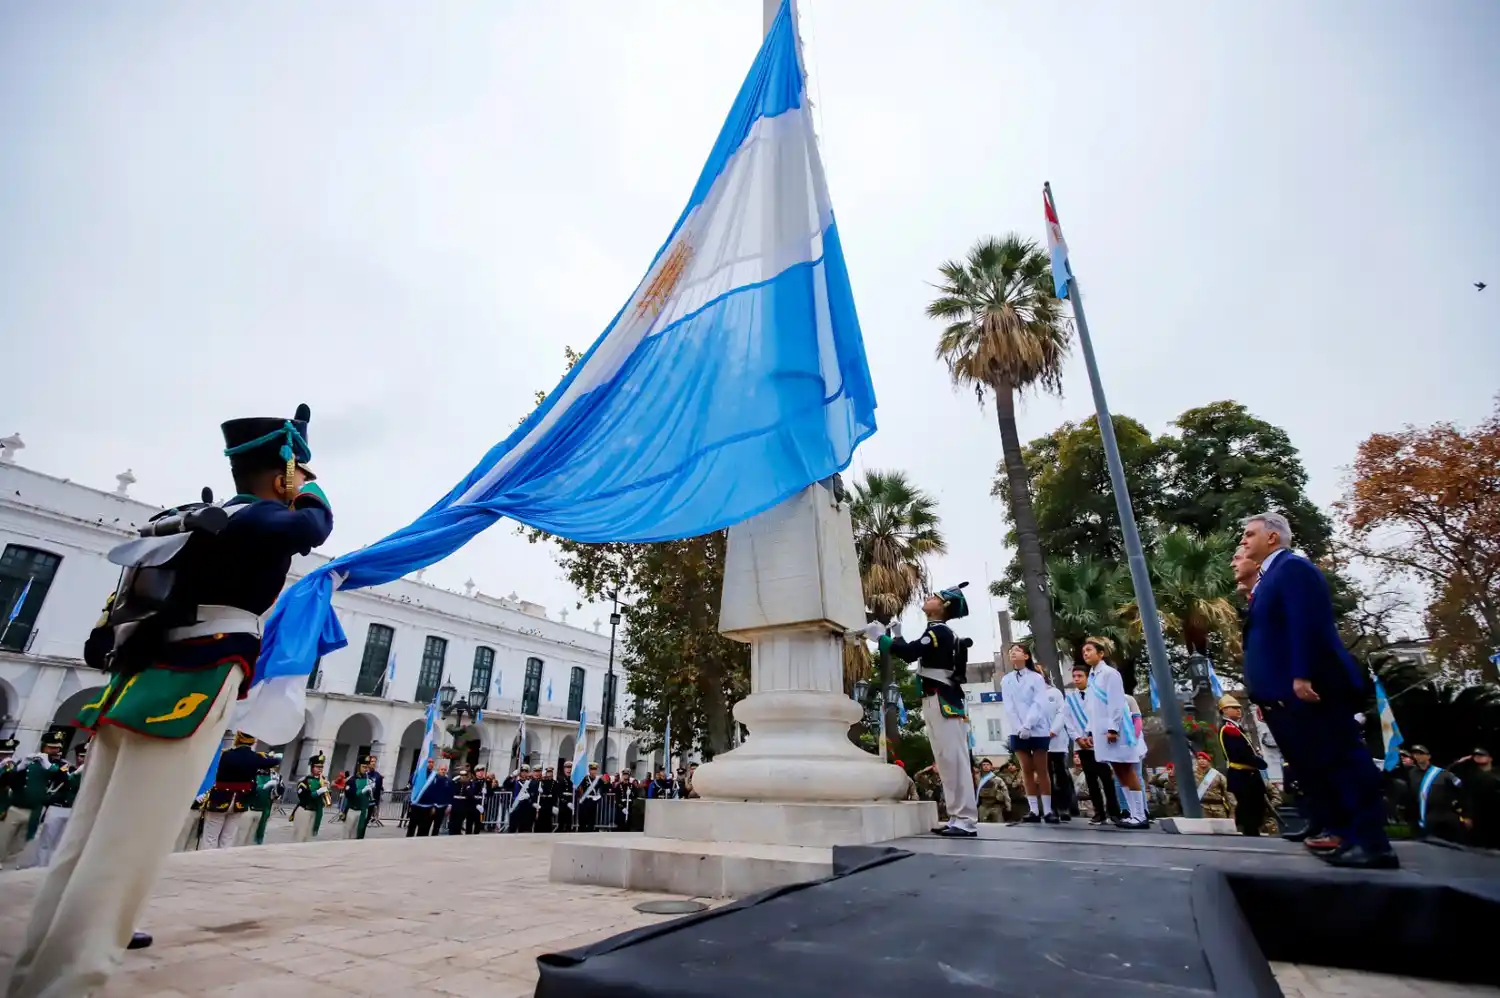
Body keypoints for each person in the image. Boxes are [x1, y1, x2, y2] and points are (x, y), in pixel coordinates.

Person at [9, 405, 333, 998]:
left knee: (88, 837)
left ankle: (40, 963)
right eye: (298, 469)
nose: (303, 481)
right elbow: (316, 526)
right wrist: (307, 488)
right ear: (284, 470)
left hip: (138, 676)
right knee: (128, 842)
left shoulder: (191, 518)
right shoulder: (259, 519)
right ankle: (68, 979)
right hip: (194, 678)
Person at [1239, 512, 1396, 869]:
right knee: (1322, 764)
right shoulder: (1270, 577)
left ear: (1273, 538)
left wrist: (1302, 674)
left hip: (1311, 688)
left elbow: (1306, 625)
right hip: (1286, 693)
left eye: (1250, 534)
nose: (1245, 541)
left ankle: (1372, 842)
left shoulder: (1293, 569)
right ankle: (1342, 832)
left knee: (1343, 760)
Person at [874, 584, 978, 838]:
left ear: (943, 607)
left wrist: (881, 638)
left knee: (954, 760)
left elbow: (911, 654)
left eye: (935, 597)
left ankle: (965, 818)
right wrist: (896, 636)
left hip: (943, 701)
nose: (928, 598)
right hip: (936, 699)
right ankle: (957, 816)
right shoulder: (936, 632)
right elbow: (914, 650)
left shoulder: (939, 631)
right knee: (945, 760)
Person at [1080, 637, 1149, 829]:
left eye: (1089, 650)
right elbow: (1092, 708)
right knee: (1119, 772)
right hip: (1101, 730)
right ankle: (1132, 814)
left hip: (1116, 730)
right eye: (1084, 651)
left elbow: (1116, 703)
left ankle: (1140, 814)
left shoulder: (1110, 674)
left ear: (1101, 654)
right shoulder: (1093, 676)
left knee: (1127, 770)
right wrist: (1090, 730)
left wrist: (1113, 728)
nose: (1085, 654)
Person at [1000, 644, 1058, 824]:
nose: (1013, 653)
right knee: (1025, 769)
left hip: (1037, 728)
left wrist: (1028, 725)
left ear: (1026, 656)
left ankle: (1047, 810)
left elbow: (1039, 703)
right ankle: (1033, 810)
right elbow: (1009, 706)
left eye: (1017, 650)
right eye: (1011, 652)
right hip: (1017, 730)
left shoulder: (1036, 678)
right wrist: (1019, 728)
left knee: (1041, 769)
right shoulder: (1006, 680)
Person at [200, 732, 281, 850]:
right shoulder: (256, 757)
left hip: (220, 799)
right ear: (253, 741)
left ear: (238, 739)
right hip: (240, 801)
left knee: (210, 837)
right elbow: (276, 760)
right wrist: (268, 756)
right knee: (228, 838)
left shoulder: (226, 755)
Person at [1063, 664, 1121, 825]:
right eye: (1074, 676)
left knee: (1106, 778)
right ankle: (1099, 813)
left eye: (1080, 676)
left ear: (1088, 677)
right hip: (1081, 744)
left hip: (1098, 742)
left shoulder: (1096, 694)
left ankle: (1114, 812)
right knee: (1091, 779)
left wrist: (1094, 736)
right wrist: (1078, 738)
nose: (1076, 679)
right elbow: (1067, 721)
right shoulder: (1069, 698)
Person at [0, 733, 66, 867]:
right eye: (50, 748)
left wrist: (49, 766)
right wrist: (19, 768)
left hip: (35, 810)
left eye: (56, 748)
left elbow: (65, 782)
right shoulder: (31, 761)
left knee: (22, 842)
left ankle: (9, 866)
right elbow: (8, 781)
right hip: (16, 806)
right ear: (43, 747)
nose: (54, 751)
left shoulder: (59, 766)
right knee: (3, 838)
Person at [1218, 695, 1269, 836]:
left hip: (1249, 773)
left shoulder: (1236, 728)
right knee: (1249, 807)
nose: (1238, 710)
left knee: (1257, 805)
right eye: (1234, 708)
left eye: (1239, 708)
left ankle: (1253, 830)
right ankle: (1249, 832)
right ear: (1224, 711)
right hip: (1242, 773)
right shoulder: (1228, 729)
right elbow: (1238, 753)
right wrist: (1255, 761)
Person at [1405, 745, 1464, 843]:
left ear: (1428, 756)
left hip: (1443, 812)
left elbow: (1460, 787)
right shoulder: (1411, 773)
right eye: (1415, 754)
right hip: (1421, 813)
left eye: (1421, 754)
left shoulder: (1441, 773)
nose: (1418, 756)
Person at [1041, 673, 1075, 821]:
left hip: (1057, 740)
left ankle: (1064, 807)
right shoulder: (1031, 696)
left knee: (1061, 774)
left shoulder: (1054, 693)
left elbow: (1062, 713)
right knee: (1046, 774)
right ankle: (1051, 808)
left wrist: (1053, 730)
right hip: (1040, 741)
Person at [1460, 747, 1498, 848]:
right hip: (1476, 816)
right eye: (1476, 756)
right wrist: (1467, 815)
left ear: (1490, 758)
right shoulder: (1470, 775)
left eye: (1482, 755)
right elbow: (1467, 796)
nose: (1478, 757)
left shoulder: (1497, 775)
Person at [291, 752, 331, 842]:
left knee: (309, 839)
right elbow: (304, 797)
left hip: (316, 812)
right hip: (305, 810)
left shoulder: (323, 780)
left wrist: (327, 790)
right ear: (312, 767)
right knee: (300, 838)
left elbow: (326, 799)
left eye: (321, 767)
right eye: (317, 767)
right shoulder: (304, 781)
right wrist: (318, 791)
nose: (320, 769)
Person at [344, 755, 376, 839]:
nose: (366, 769)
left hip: (363, 811)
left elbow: (369, 799)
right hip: (352, 810)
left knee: (357, 837)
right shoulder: (352, 780)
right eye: (363, 767)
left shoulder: (368, 780)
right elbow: (350, 795)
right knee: (347, 836)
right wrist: (362, 791)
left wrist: (371, 789)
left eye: (367, 767)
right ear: (358, 766)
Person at [976, 759, 1005, 824]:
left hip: (996, 804)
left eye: (988, 765)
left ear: (991, 767)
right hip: (983, 804)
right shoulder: (977, 779)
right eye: (984, 765)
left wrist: (1008, 805)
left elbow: (1005, 791)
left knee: (999, 824)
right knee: (983, 825)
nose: (986, 766)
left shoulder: (997, 779)